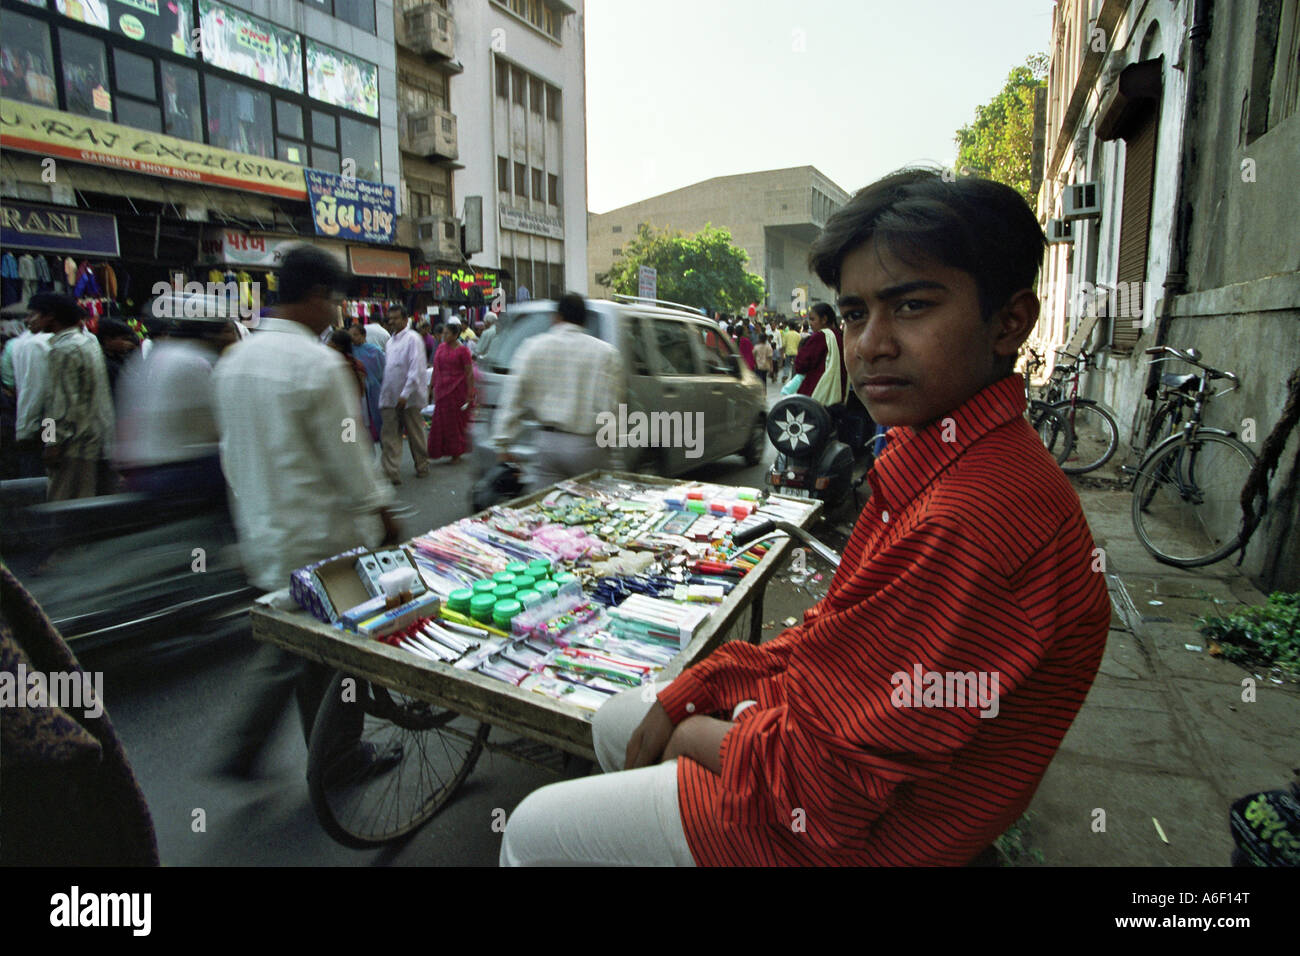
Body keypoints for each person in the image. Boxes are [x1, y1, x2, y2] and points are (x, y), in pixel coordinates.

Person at [499, 167, 1111, 866]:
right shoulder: (933, 450)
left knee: (530, 830)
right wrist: (706, 685)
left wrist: (697, 733)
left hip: (861, 840)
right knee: (623, 718)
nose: (870, 343)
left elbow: (824, 793)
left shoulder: (973, 514)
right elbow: (831, 639)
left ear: (1010, 322)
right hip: (838, 762)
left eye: (911, 307)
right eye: (854, 314)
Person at [210, 245, 401, 778]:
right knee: (337, 655)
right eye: (336, 300)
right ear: (318, 297)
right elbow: (350, 457)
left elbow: (229, 453)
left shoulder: (235, 361)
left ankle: (250, 747)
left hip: (263, 532)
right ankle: (338, 756)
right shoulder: (316, 364)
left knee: (294, 647)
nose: (338, 312)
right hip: (320, 540)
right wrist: (384, 515)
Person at [491, 292, 624, 491]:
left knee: (547, 509)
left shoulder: (532, 348)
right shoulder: (605, 354)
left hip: (547, 446)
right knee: (592, 511)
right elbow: (612, 407)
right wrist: (614, 447)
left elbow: (513, 397)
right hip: (587, 446)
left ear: (557, 317)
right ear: (584, 321)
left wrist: (503, 443)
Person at [113, 298, 227, 506]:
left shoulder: (152, 356)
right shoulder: (196, 360)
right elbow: (217, 424)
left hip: (144, 468)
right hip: (183, 471)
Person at [37, 294, 114, 501]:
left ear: (51, 317)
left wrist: (50, 442)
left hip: (73, 447)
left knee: (64, 509)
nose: (30, 320)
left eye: (34, 314)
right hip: (96, 440)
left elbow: (57, 405)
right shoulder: (89, 342)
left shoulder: (62, 350)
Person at [377, 304, 430, 484]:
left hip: (409, 398)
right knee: (390, 435)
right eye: (389, 319)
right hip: (390, 396)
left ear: (405, 319)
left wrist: (405, 394)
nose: (391, 322)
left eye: (395, 318)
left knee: (415, 434)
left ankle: (422, 465)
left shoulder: (413, 339)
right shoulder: (390, 342)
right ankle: (391, 473)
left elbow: (416, 369)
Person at [5, 303, 52, 478]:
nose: (27, 319)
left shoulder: (26, 344)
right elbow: (43, 395)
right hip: (43, 423)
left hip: (35, 423)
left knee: (34, 474)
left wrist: (25, 429)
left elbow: (36, 392)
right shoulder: (35, 344)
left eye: (33, 315)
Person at [426, 319, 475, 463]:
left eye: (447, 333)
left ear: (455, 335)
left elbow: (469, 373)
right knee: (440, 422)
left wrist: (470, 393)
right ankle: (437, 451)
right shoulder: (441, 348)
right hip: (441, 390)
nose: (444, 336)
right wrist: (431, 386)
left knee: (454, 423)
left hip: (457, 390)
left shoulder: (463, 350)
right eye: (443, 333)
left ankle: (456, 453)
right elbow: (436, 368)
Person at [793, 302, 847, 403]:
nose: (810, 323)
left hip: (817, 395)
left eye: (813, 319)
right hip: (840, 394)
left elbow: (800, 365)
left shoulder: (820, 336)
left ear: (824, 320)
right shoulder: (840, 336)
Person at [348, 322, 385, 444]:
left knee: (379, 425)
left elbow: (383, 372)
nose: (353, 338)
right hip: (358, 393)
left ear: (363, 335)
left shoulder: (375, 351)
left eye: (356, 335)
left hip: (375, 391)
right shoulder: (349, 353)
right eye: (351, 335)